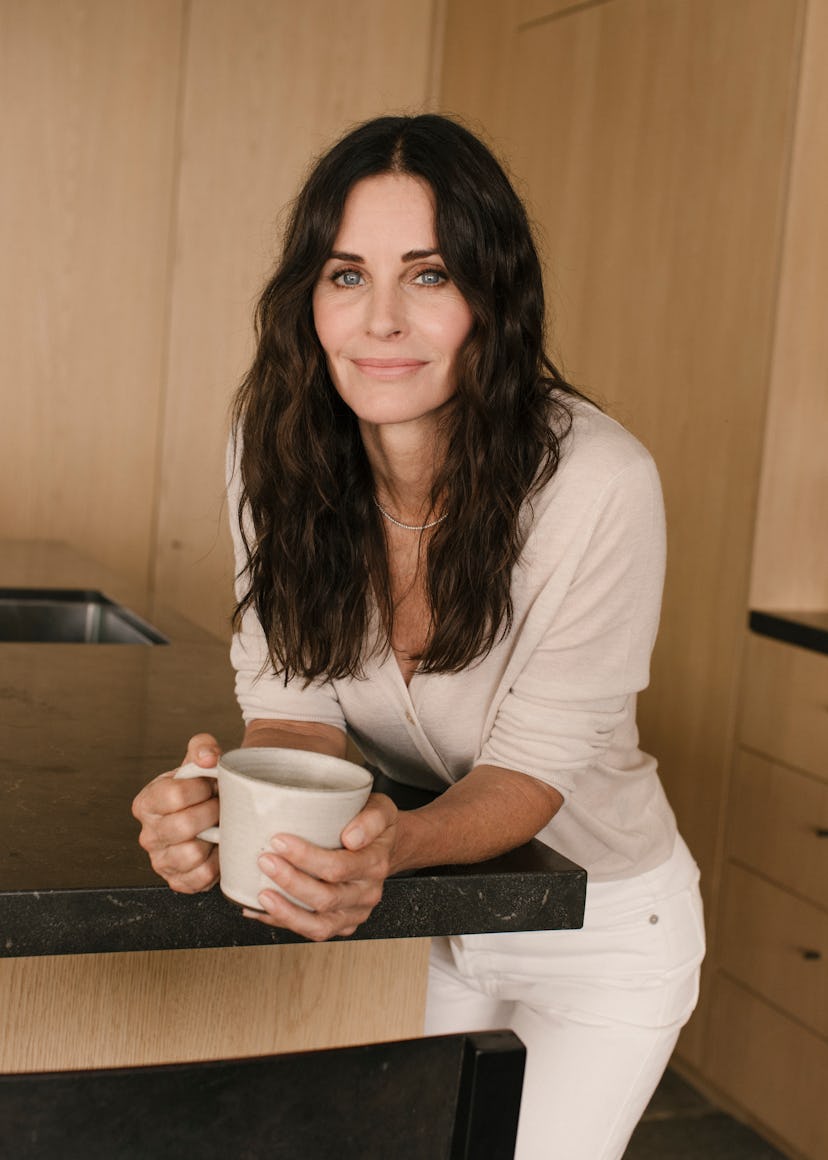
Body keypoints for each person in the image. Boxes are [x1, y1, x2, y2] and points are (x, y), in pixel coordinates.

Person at [132, 113, 705, 1160]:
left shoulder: (597, 481)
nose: (380, 319)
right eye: (347, 274)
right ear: (309, 298)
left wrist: (389, 843)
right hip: (413, 915)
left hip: (598, 929)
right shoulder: (277, 450)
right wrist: (230, 811)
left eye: (429, 274)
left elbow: (528, 772)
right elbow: (296, 709)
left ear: (493, 296)